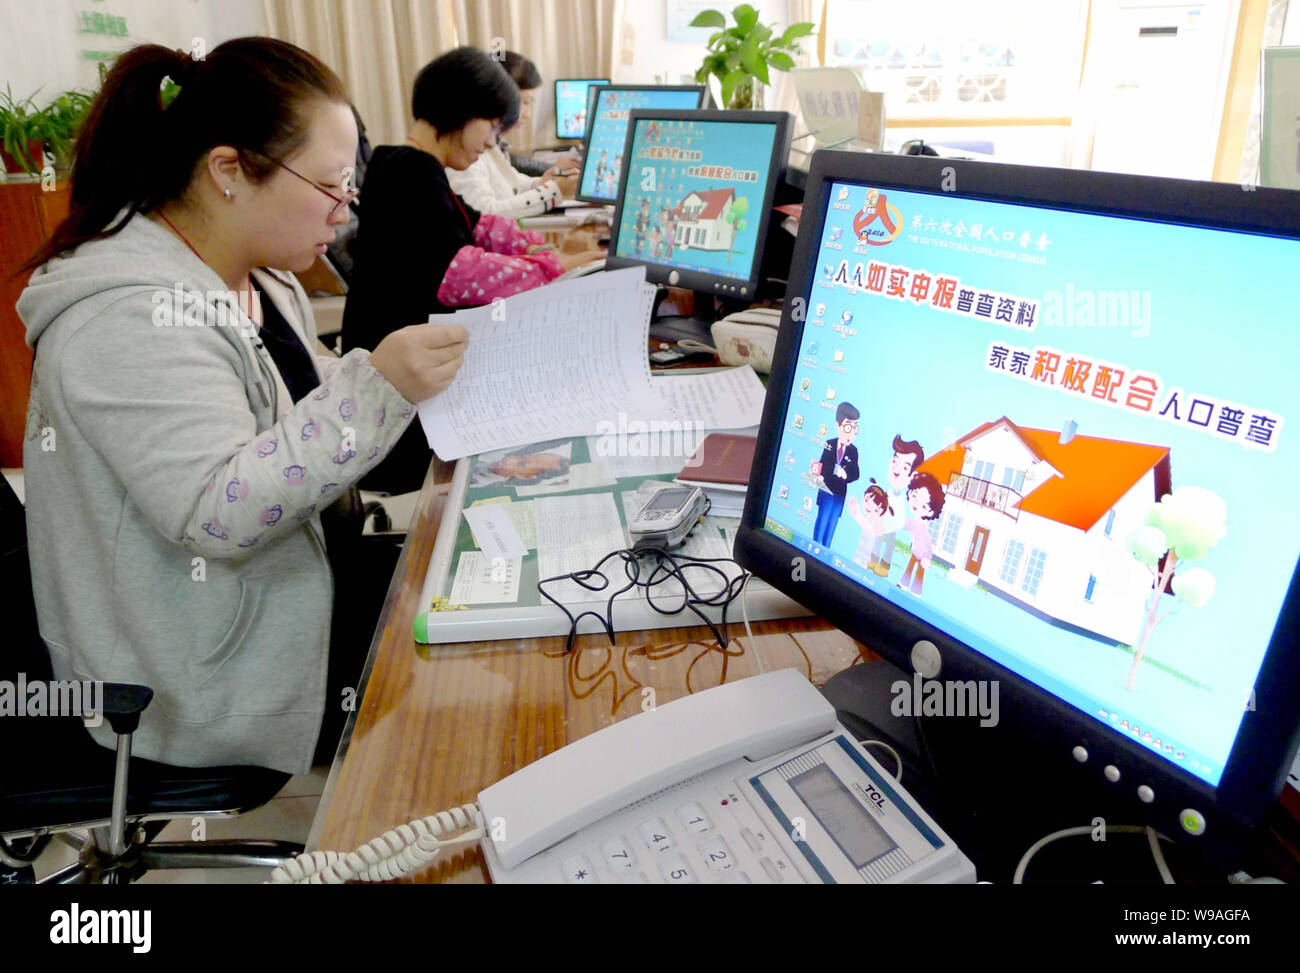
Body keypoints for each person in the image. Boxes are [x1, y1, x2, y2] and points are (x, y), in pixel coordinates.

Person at [15, 39, 468, 775]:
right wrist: (380, 388)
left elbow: (309, 405)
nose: (345, 213)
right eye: (330, 188)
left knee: (486, 583)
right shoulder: (127, 318)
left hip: (301, 582)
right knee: (478, 675)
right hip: (202, 662)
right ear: (229, 171)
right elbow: (218, 512)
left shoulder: (257, 277)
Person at [341, 46, 601, 494]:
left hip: (410, 374)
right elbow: (462, 272)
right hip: (403, 408)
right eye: (492, 126)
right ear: (463, 111)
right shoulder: (409, 172)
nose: (490, 142)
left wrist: (548, 251)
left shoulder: (408, 164)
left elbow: (479, 225)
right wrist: (557, 265)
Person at [446, 51, 580, 219]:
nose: (526, 114)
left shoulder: (488, 141)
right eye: (523, 102)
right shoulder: (464, 149)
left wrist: (541, 184)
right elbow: (482, 214)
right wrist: (554, 191)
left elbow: (509, 181)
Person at [812, 402, 861, 547]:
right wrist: (833, 470)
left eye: (855, 429)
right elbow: (822, 465)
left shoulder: (853, 451)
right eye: (848, 427)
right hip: (826, 491)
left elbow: (856, 473)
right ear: (838, 425)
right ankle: (812, 549)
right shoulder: (830, 444)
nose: (851, 433)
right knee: (822, 522)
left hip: (840, 495)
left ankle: (825, 552)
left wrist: (845, 474)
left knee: (831, 526)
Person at [897, 472, 945, 597]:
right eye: (915, 496)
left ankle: (916, 591)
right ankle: (904, 584)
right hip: (916, 551)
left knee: (919, 572)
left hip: (923, 554)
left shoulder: (922, 526)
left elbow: (925, 543)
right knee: (910, 566)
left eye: (924, 505)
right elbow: (908, 524)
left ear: (930, 511)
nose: (916, 505)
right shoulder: (918, 522)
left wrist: (927, 558)